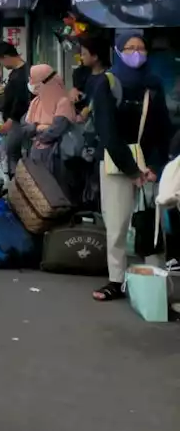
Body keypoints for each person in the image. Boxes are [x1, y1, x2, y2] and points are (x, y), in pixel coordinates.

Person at [83, 32, 171, 301]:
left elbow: (163, 128)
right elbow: (107, 132)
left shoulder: (153, 84)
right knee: (117, 223)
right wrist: (132, 171)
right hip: (115, 160)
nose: (136, 53)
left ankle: (156, 283)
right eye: (130, 48)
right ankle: (116, 280)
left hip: (148, 161)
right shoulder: (107, 83)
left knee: (150, 222)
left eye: (141, 48)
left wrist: (156, 165)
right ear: (118, 51)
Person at [20, 63, 77, 194]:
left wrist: (37, 131)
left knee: (56, 187)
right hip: (35, 152)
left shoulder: (63, 102)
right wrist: (39, 128)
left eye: (34, 81)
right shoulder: (36, 102)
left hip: (56, 154)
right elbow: (25, 127)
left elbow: (57, 129)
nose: (31, 84)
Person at [0, 41, 31, 169]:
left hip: (17, 121)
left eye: (1, 61)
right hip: (12, 120)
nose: (2, 65)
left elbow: (21, 99)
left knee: (10, 154)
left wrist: (11, 119)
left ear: (6, 57)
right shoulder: (16, 73)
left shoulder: (22, 74)